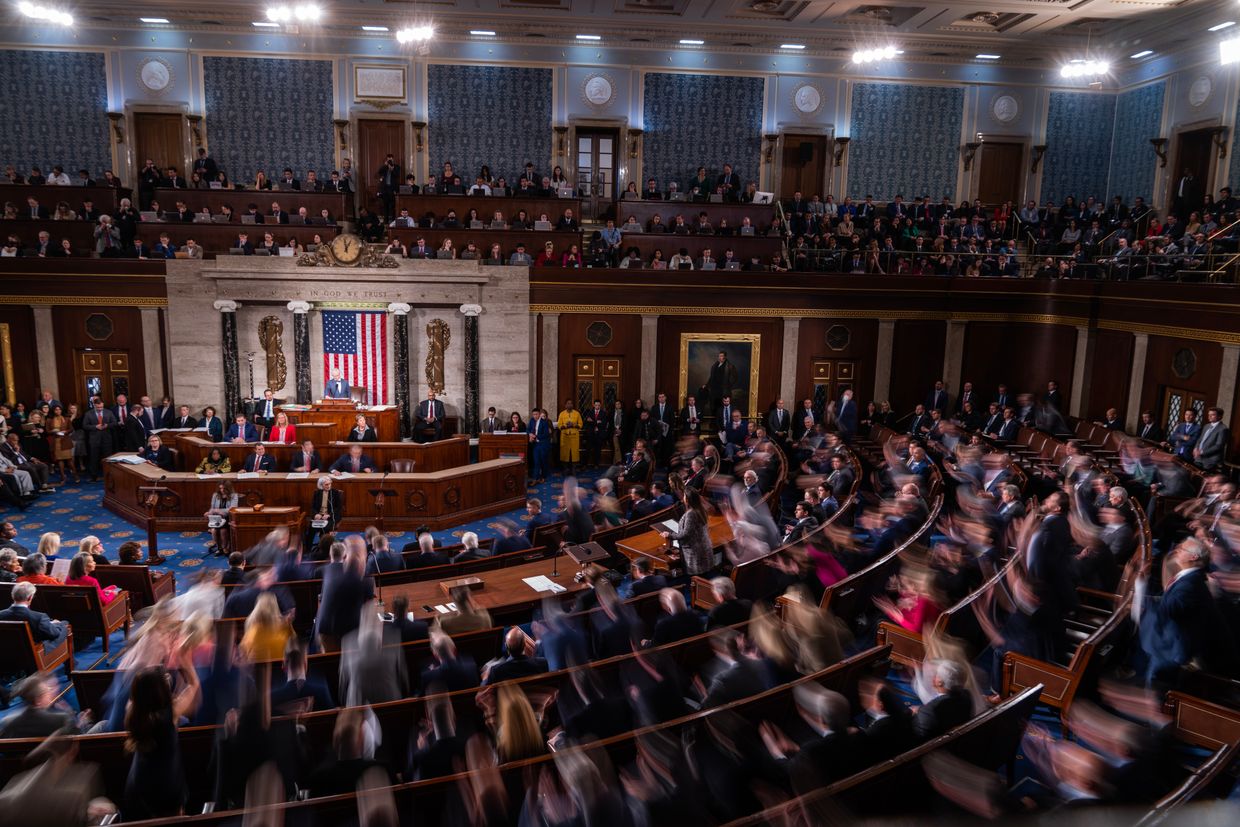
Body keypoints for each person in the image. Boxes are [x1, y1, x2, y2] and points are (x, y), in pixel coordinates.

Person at [124, 655, 200, 819]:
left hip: (139, 784)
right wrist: (187, 664)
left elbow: (143, 687)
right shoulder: (170, 713)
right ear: (160, 692)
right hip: (165, 787)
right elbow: (194, 685)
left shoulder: (133, 711)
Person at [658, 488, 714, 576]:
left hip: (694, 551)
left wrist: (669, 535)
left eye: (684, 496)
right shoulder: (701, 509)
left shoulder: (691, 514)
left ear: (687, 499)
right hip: (702, 547)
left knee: (696, 579)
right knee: (705, 576)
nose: (683, 498)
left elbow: (686, 534)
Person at [0, 581, 70, 652]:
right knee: (65, 625)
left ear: (13, 595)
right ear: (30, 597)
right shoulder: (39, 617)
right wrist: (57, 624)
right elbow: (55, 634)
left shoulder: (1, 614)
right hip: (33, 654)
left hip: (6, 652)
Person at [240, 592, 292, 663]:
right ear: (275, 607)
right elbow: (294, 649)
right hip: (282, 670)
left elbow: (243, 652)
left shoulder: (252, 631)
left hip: (258, 671)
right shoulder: (284, 629)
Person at [307, 476, 343, 548]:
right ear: (321, 485)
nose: (329, 486)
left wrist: (329, 515)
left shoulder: (335, 493)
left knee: (326, 528)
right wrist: (316, 515)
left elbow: (338, 508)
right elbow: (313, 507)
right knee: (311, 528)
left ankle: (325, 547)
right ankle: (308, 548)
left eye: (330, 484)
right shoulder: (317, 493)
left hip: (331, 516)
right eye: (326, 484)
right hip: (319, 516)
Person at [205, 480, 239, 554]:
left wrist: (218, 511)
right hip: (217, 518)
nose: (222, 490)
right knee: (214, 531)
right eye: (220, 488)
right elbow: (212, 508)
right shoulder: (215, 495)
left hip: (228, 518)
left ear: (228, 488)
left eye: (224, 489)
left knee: (223, 531)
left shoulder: (234, 495)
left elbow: (232, 509)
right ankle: (219, 548)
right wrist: (209, 512)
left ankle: (225, 548)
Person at [555, 399, 583, 476]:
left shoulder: (577, 414)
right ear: (565, 405)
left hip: (574, 436)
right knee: (564, 453)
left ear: (572, 405)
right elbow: (559, 425)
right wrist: (564, 426)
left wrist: (573, 425)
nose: (569, 405)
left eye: (571, 403)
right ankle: (565, 469)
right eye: (568, 403)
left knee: (574, 453)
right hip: (565, 436)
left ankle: (574, 469)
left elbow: (581, 424)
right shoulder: (562, 414)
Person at [527, 408, 551, 482]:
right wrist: (530, 434)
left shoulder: (544, 422)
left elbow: (546, 434)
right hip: (535, 445)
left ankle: (544, 477)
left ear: (539, 414)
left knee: (543, 461)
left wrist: (535, 436)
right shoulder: (531, 420)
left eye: (536, 414)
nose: (535, 416)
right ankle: (535, 478)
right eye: (533, 414)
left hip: (543, 444)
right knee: (536, 461)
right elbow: (527, 429)